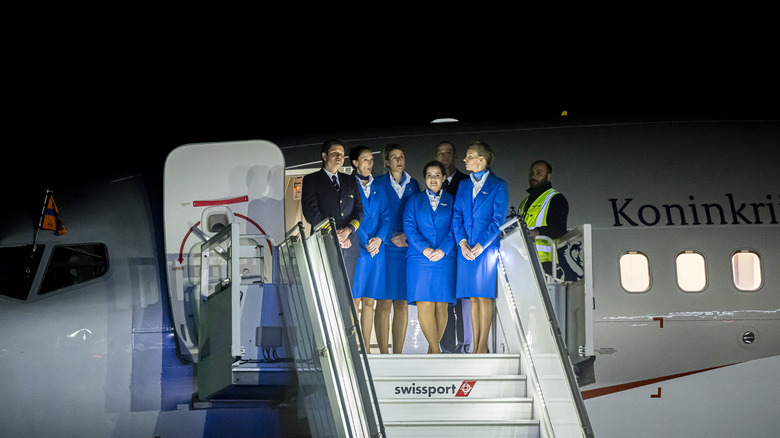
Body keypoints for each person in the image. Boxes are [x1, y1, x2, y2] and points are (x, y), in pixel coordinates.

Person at [452, 140, 509, 354]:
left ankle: (482, 345)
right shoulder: (464, 185)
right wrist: (463, 243)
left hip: (486, 250)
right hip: (465, 249)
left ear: (481, 160)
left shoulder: (498, 185)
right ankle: (475, 344)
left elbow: (497, 221)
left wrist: (480, 245)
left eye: (469, 155)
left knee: (483, 295)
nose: (465, 159)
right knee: (472, 297)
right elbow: (457, 216)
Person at [403, 160, 457, 354]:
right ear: (424, 178)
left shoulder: (452, 201)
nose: (433, 179)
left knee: (441, 304)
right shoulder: (414, 200)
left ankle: (433, 351)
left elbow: (456, 228)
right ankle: (436, 350)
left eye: (437, 175)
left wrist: (443, 250)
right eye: (429, 175)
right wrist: (425, 249)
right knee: (424, 303)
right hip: (419, 258)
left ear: (443, 178)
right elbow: (409, 227)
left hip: (445, 257)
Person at [372, 143, 420, 354]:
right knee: (384, 302)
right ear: (387, 161)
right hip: (385, 249)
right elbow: (376, 214)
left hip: (405, 249)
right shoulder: (379, 183)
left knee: (401, 302)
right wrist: (389, 237)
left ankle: (397, 354)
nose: (399, 160)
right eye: (394, 157)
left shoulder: (414, 184)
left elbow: (417, 215)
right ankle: (384, 353)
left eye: (401, 156)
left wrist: (406, 236)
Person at [301, 139, 363, 283]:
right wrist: (333, 232)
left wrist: (348, 230)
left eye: (341, 154)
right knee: (324, 292)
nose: (339, 156)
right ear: (324, 156)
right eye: (334, 153)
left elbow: (359, 212)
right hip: (324, 242)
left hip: (349, 244)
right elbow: (311, 213)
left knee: (346, 294)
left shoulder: (350, 180)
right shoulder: (312, 180)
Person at [349, 145, 391, 353]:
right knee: (354, 300)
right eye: (365, 160)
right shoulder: (349, 185)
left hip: (377, 252)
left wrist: (379, 239)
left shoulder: (379, 187)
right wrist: (367, 241)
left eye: (371, 160)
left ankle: (365, 349)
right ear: (355, 162)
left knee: (369, 301)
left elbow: (386, 217)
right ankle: (351, 348)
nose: (369, 163)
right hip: (359, 249)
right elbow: (350, 216)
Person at [435, 140, 470, 353]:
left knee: (462, 301)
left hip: (462, 248)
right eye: (440, 153)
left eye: (447, 153)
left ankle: (465, 345)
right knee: (444, 300)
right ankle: (446, 347)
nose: (443, 157)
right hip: (441, 251)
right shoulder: (432, 184)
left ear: (455, 156)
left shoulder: (466, 182)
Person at [518, 160, 569, 276]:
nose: (533, 176)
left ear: (549, 176)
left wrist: (537, 232)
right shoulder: (524, 202)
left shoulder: (555, 198)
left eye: (539, 173)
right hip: (524, 261)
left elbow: (559, 228)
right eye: (531, 173)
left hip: (545, 263)